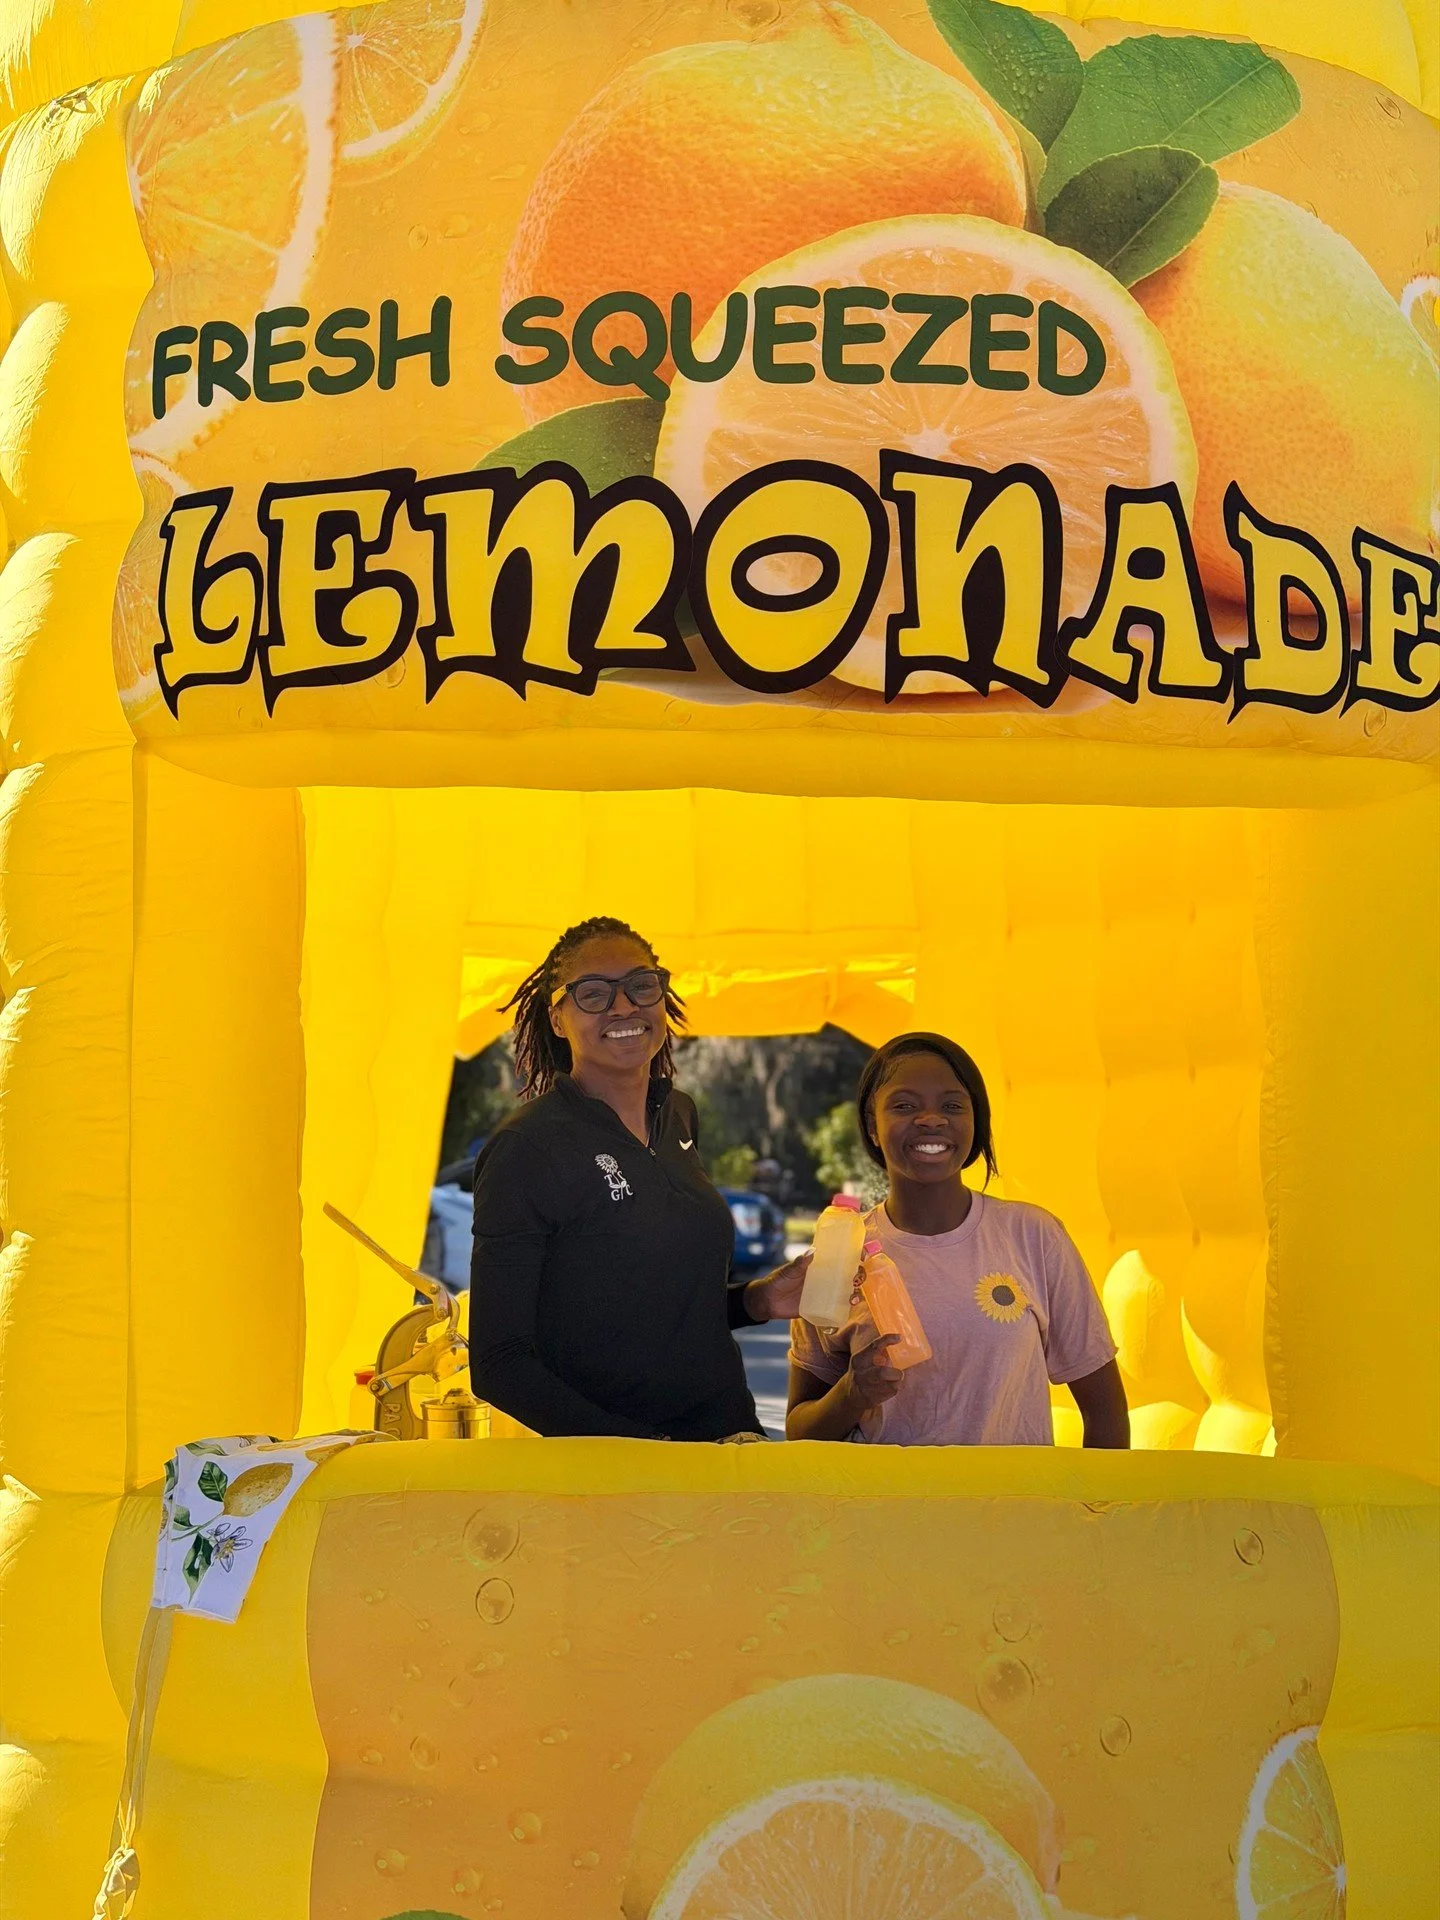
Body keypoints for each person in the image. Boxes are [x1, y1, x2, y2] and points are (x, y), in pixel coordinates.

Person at [469, 916, 809, 1439]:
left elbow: (651, 1310)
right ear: (557, 1019)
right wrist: (637, 1453)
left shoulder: (677, 1114)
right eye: (593, 994)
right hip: (616, 1480)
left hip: (729, 1440)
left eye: (640, 985)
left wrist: (756, 1301)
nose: (623, 1006)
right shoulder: (528, 1148)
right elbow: (500, 1363)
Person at [787, 1032, 1129, 1448]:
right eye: (904, 1105)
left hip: (1013, 1509)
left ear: (976, 1123)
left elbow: (1106, 1416)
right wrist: (850, 1394)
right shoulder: (839, 1253)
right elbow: (800, 1432)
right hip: (881, 1510)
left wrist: (1089, 1510)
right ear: (872, 1128)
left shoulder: (1035, 1237)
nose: (931, 1119)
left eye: (952, 1105)